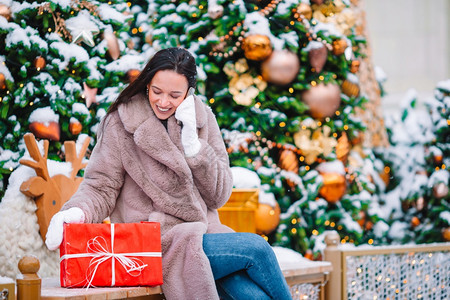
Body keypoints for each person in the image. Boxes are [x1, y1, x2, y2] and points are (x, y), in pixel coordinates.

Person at [45, 47, 292, 300]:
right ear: (147, 83)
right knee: (257, 249)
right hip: (154, 243)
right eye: (157, 91)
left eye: (175, 95)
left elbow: (219, 196)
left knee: (252, 295)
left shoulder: (201, 117)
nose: (164, 102)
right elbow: (101, 186)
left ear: (189, 92)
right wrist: (77, 211)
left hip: (205, 234)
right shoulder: (121, 123)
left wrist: (193, 146)